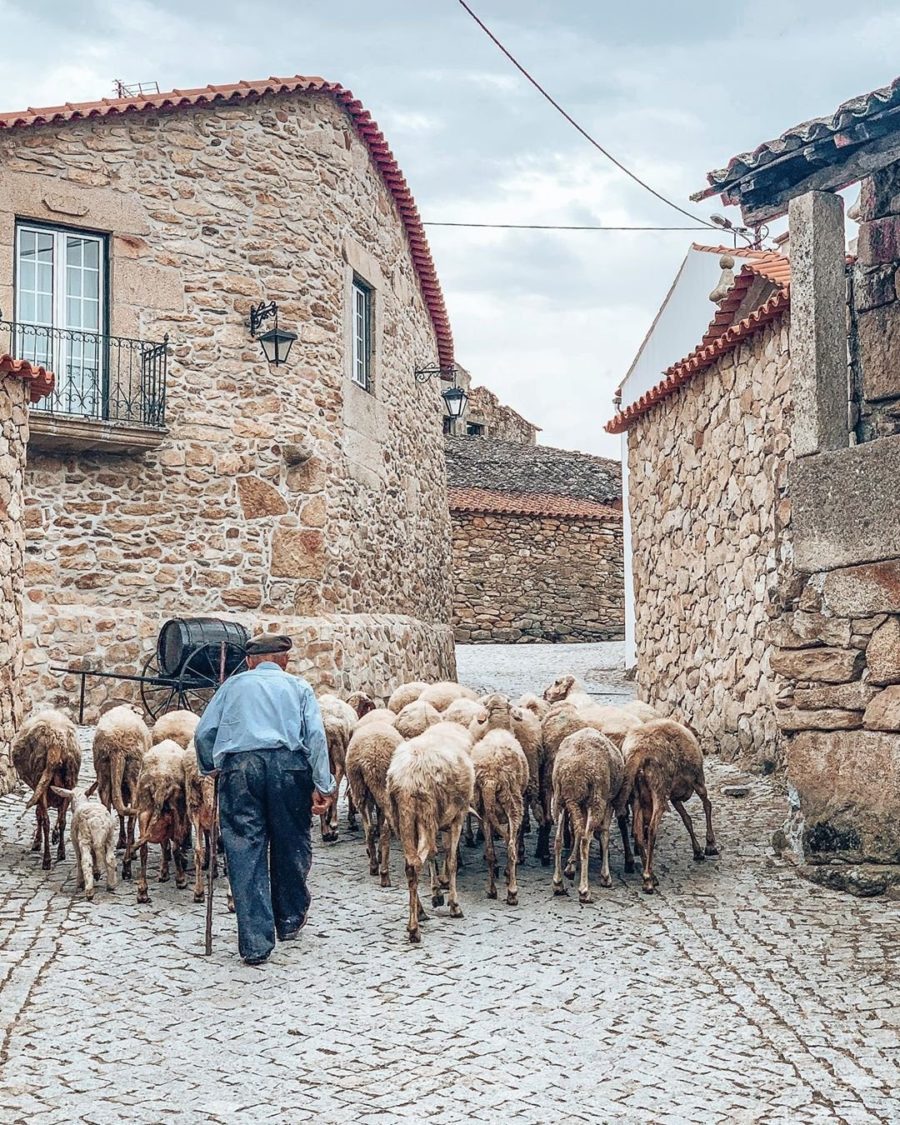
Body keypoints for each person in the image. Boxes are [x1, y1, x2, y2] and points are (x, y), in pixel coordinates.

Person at [194, 634, 335, 965]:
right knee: (292, 843)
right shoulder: (299, 687)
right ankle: (289, 919)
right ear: (284, 659)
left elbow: (203, 733)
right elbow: (315, 736)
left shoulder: (232, 686)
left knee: (244, 848)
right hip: (289, 769)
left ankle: (256, 943)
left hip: (240, 771)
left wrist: (210, 767)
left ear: (250, 661)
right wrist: (322, 785)